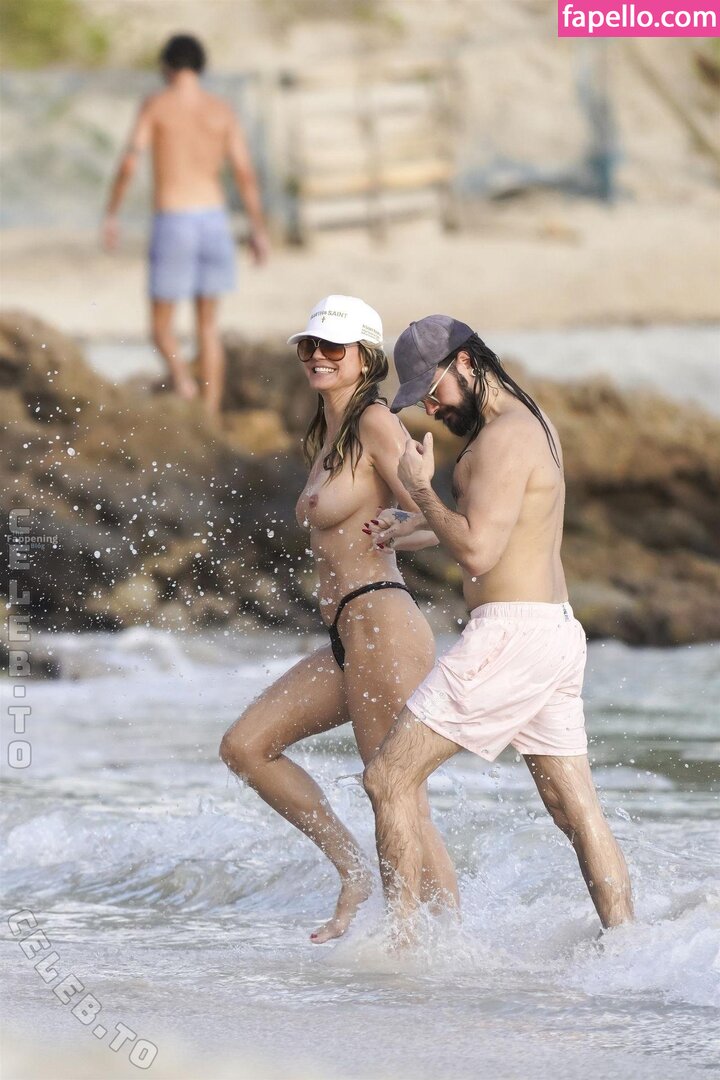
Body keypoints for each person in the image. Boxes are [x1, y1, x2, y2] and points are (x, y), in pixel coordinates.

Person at [363, 315, 633, 934]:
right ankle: (628, 948)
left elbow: (479, 553)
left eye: (432, 391)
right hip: (550, 632)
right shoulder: (526, 422)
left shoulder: (503, 439)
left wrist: (419, 490)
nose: (430, 408)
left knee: (388, 777)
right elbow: (497, 528)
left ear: (465, 361)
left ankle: (400, 954)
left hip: (511, 636)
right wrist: (414, 527)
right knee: (575, 812)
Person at [220, 296, 458, 943]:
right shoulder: (328, 432)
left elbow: (440, 518)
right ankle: (355, 873)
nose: (318, 357)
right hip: (349, 633)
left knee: (398, 792)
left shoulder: (376, 422)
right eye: (309, 346)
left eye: (334, 347)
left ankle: (435, 948)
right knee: (246, 747)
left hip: (383, 621)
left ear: (366, 358)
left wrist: (401, 529)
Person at [102, 34, 269, 414]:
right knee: (207, 328)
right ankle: (209, 414)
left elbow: (129, 162)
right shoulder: (222, 110)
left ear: (166, 66)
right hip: (214, 219)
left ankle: (184, 383)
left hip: (174, 219)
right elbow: (244, 173)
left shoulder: (157, 105)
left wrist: (111, 213)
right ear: (201, 67)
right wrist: (258, 230)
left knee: (161, 328)